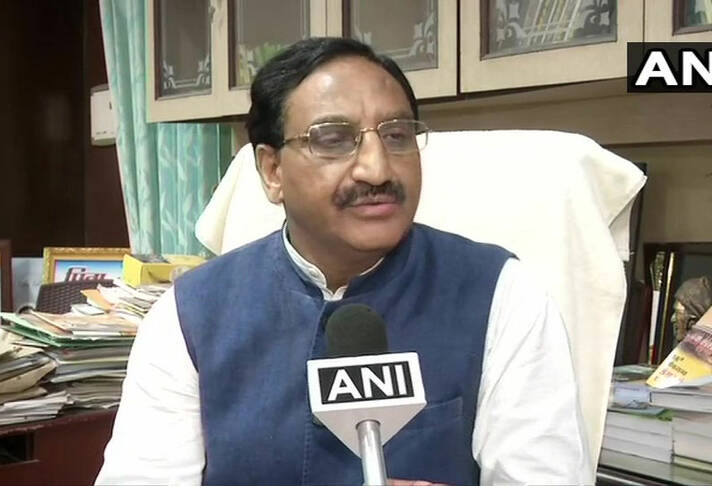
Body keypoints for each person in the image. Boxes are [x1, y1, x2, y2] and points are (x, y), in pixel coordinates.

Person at [96, 37, 591, 486]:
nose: (377, 168)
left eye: (397, 135)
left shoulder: (502, 295)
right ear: (272, 170)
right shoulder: (189, 315)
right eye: (333, 139)